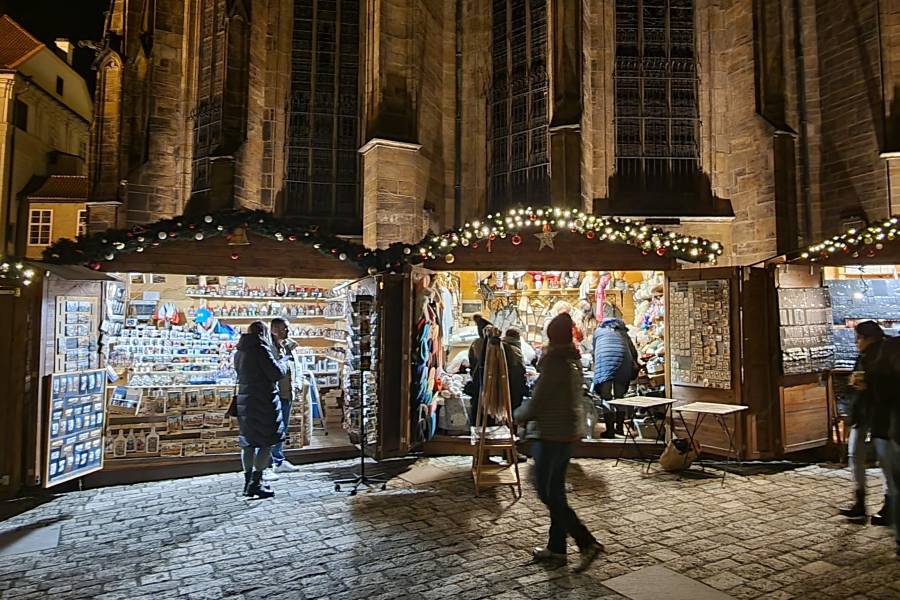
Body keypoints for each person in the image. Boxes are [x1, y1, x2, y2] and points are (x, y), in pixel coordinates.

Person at [514, 313, 604, 572]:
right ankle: (556, 548)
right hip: (564, 432)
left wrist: (517, 415)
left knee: (547, 492)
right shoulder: (570, 360)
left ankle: (586, 541)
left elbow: (540, 401)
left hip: (551, 434)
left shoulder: (554, 363)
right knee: (556, 492)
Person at [849, 321, 900, 555]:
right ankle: (866, 503)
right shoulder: (876, 354)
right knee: (887, 469)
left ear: (867, 337)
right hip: (877, 419)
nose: (856, 342)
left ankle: (889, 511)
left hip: (883, 420)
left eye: (858, 338)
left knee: (890, 468)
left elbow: (869, 388)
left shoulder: (880, 356)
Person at [234, 321, 289, 498]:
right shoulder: (261, 349)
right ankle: (256, 482)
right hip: (263, 401)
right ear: (264, 333)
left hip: (245, 400)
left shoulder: (239, 351)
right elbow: (276, 373)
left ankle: (247, 481)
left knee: (248, 443)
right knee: (266, 441)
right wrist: (284, 359)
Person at [592, 318, 639, 438]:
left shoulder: (598, 332)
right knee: (620, 397)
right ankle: (619, 428)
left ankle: (610, 430)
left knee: (606, 396)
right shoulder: (623, 332)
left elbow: (595, 351)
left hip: (605, 362)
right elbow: (633, 352)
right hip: (623, 362)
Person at [266, 318, 301, 478]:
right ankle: (266, 464)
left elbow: (297, 366)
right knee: (271, 429)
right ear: (274, 330)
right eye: (284, 329)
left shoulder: (289, 346)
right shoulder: (268, 348)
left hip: (287, 392)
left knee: (282, 430)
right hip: (274, 394)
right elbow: (273, 369)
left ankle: (278, 460)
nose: (287, 331)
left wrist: (298, 382)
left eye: (287, 328)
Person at [467, 314, 493, 425]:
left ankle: (477, 428)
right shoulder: (495, 344)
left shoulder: (476, 343)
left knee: (477, 406)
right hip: (491, 379)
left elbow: (471, 361)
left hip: (479, 378)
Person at [502, 328, 527, 413]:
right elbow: (521, 369)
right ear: (518, 337)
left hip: (499, 386)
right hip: (513, 386)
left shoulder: (500, 346)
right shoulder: (515, 350)